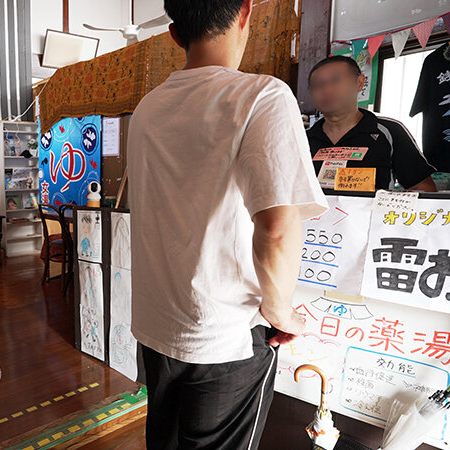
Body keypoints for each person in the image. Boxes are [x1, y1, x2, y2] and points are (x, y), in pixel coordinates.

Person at [127, 1, 328, 448]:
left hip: (158, 322)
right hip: (226, 333)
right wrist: (280, 312)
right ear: (245, 13)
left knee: (165, 440)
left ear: (175, 34)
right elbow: (276, 227)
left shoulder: (148, 107)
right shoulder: (261, 95)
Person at [307, 55, 437, 191]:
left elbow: (423, 187)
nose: (327, 90)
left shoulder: (390, 131)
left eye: (335, 80)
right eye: (318, 85)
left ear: (359, 83)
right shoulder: (301, 139)